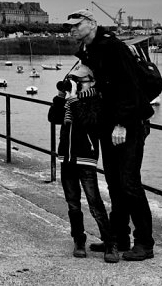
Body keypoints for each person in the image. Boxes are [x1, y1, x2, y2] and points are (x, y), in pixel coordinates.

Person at [63, 8, 155, 261]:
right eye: (69, 26)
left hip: (128, 124)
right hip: (108, 124)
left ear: (92, 24)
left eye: (76, 24)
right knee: (115, 182)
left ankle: (145, 243)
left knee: (129, 183)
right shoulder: (90, 50)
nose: (71, 29)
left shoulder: (112, 48)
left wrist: (122, 124)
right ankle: (118, 238)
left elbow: (130, 87)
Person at [48, 60, 118, 263]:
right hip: (66, 156)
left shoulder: (96, 100)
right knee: (72, 204)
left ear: (91, 82)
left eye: (80, 80)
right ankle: (78, 239)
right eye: (73, 80)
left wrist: (74, 100)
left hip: (85, 157)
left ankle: (110, 242)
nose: (75, 83)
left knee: (94, 202)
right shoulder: (70, 100)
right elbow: (53, 117)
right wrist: (61, 97)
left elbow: (89, 122)